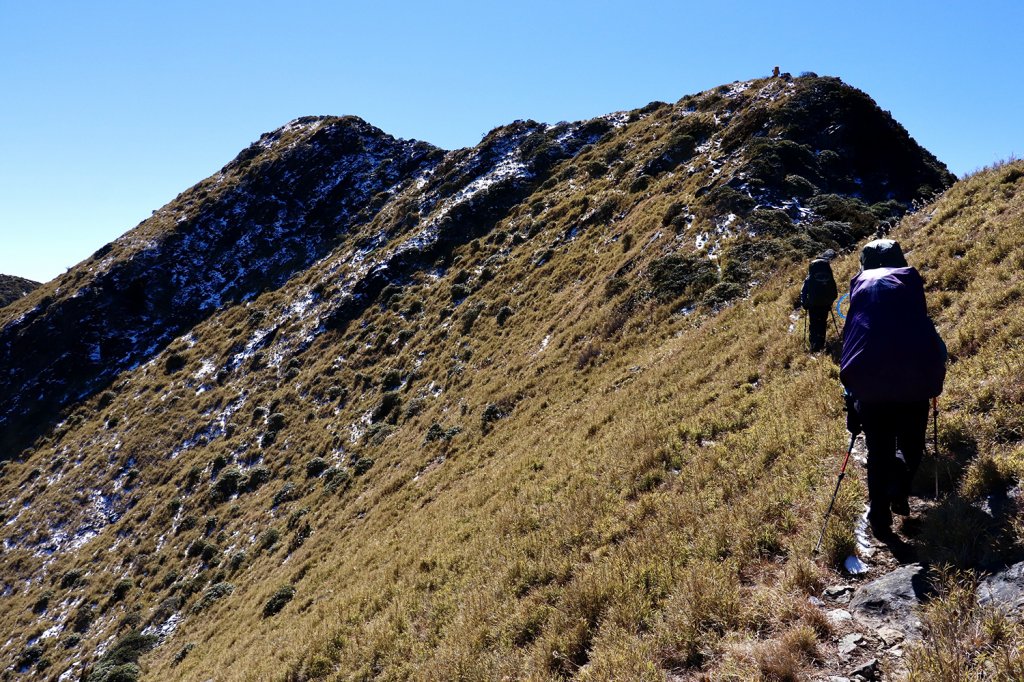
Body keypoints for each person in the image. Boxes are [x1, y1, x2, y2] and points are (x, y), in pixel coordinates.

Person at [840, 239, 946, 538]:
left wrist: (852, 401)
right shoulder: (908, 286)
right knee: (911, 447)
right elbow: (931, 339)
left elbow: (852, 345)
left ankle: (879, 515)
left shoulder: (860, 292)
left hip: (870, 389)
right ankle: (899, 484)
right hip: (913, 383)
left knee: (878, 452)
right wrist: (934, 370)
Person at [800, 256, 838, 352]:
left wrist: (804, 303)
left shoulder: (810, 278)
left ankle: (814, 345)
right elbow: (834, 292)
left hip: (813, 305)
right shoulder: (829, 277)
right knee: (822, 323)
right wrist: (829, 301)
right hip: (825, 304)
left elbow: (804, 292)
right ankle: (821, 342)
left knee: (814, 323)